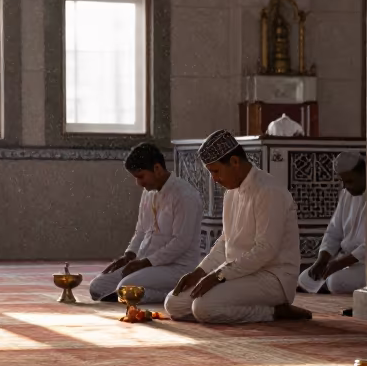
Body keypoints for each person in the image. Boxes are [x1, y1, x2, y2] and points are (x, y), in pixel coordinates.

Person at [165, 130, 310, 324]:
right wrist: (200, 272)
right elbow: (226, 241)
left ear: (234, 162)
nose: (214, 179)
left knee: (203, 307)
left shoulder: (269, 191)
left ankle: (275, 312)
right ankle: (233, 306)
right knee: (173, 303)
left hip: (272, 277)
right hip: (236, 274)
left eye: (215, 171)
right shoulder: (231, 192)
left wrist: (219, 275)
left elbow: (265, 250)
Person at [89, 142, 202, 304]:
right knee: (98, 286)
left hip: (176, 267)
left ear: (157, 168)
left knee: (126, 287)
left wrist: (146, 263)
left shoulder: (184, 196)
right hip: (145, 264)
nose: (139, 183)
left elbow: (181, 243)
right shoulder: (148, 193)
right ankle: (133, 293)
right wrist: (129, 255)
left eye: (141, 176)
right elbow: (141, 230)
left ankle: (177, 294)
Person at [298, 151, 367, 295]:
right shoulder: (346, 195)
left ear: (364, 174)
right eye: (343, 181)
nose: (345, 186)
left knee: (335, 280)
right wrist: (322, 260)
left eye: (349, 181)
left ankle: (325, 285)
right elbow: (333, 232)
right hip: (344, 261)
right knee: (305, 277)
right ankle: (323, 283)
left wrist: (340, 264)